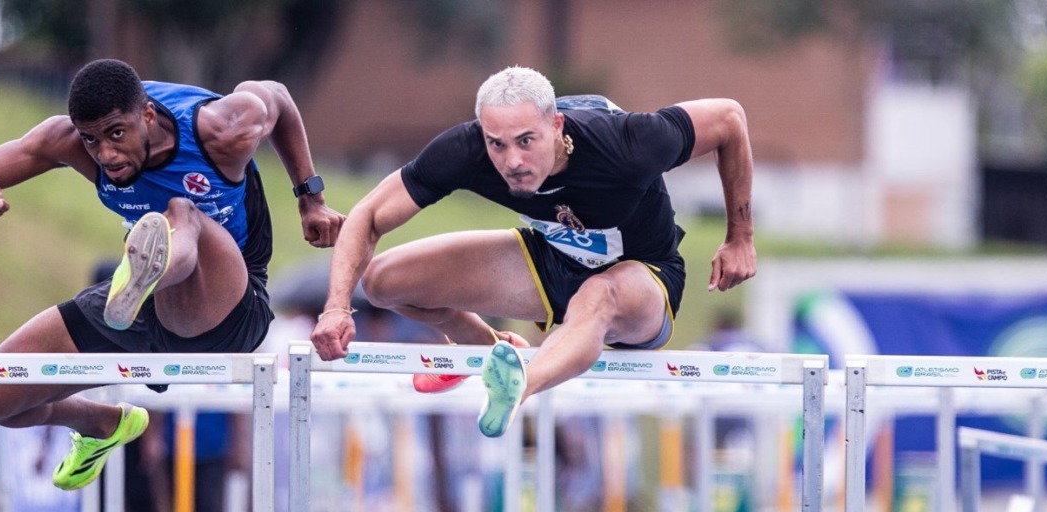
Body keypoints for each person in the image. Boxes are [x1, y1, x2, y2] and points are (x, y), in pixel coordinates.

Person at [0, 58, 344, 490]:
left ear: (147, 114)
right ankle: (101, 422)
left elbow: (277, 96)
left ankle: (148, 272)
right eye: (91, 140)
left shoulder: (223, 128)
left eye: (117, 134)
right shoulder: (65, 139)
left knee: (182, 211)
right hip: (137, 310)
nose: (106, 154)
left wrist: (310, 198)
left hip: (230, 310)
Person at [312, 65, 755, 437]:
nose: (513, 162)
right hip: (550, 261)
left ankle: (517, 386)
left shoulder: (628, 143)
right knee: (384, 282)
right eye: (497, 144)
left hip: (644, 280)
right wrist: (336, 308)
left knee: (598, 296)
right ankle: (487, 351)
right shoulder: (465, 151)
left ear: (556, 125)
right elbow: (368, 215)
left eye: (527, 141)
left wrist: (739, 236)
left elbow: (729, 118)